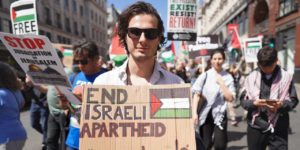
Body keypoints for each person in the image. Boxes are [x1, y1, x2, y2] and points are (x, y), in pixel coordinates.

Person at [93, 1, 182, 86]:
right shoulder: (103, 83)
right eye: (135, 32)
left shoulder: (177, 83)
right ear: (124, 36)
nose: (143, 39)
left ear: (159, 38)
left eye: (151, 33)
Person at [240, 46, 298, 150]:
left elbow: (293, 100)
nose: (266, 71)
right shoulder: (251, 77)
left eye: (269, 67)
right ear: (259, 64)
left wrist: (281, 105)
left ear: (276, 61)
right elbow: (243, 101)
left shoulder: (286, 77)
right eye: (263, 67)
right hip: (256, 125)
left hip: (279, 126)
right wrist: (254, 103)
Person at [64, 41, 107, 150]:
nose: (80, 65)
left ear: (96, 59)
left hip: (96, 140)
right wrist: (65, 102)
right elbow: (67, 107)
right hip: (74, 139)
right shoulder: (74, 77)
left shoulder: (107, 78)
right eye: (77, 61)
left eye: (83, 61)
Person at [192, 49, 235, 150]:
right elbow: (196, 95)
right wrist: (194, 113)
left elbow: (230, 98)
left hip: (220, 114)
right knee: (205, 144)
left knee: (220, 145)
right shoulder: (205, 75)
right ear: (211, 60)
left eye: (220, 59)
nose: (217, 61)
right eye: (214, 59)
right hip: (205, 114)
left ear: (223, 60)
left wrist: (222, 83)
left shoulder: (228, 77)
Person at [46, 50, 72, 150]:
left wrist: (67, 108)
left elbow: (71, 91)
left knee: (63, 142)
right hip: (52, 112)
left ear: (61, 59)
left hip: (63, 112)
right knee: (50, 140)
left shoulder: (68, 72)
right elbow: (48, 90)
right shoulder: (49, 72)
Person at [0, 62, 27, 150]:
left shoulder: (1, 94)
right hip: (18, 134)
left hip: (5, 138)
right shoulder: (16, 91)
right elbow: (21, 104)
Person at [25, 75, 48, 150]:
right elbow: (25, 88)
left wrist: (33, 83)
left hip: (45, 101)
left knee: (45, 125)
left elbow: (46, 89)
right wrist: (27, 83)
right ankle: (49, 136)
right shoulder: (29, 71)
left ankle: (45, 143)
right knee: (33, 124)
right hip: (34, 102)